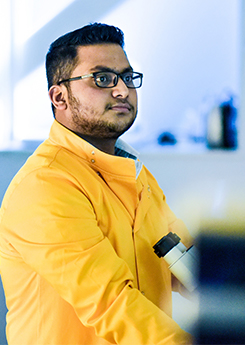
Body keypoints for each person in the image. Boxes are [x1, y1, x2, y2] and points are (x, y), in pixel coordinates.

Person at [0, 23, 193, 345]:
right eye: (103, 79)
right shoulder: (44, 186)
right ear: (59, 96)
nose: (122, 90)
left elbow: (180, 256)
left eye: (128, 77)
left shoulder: (131, 171)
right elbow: (111, 302)